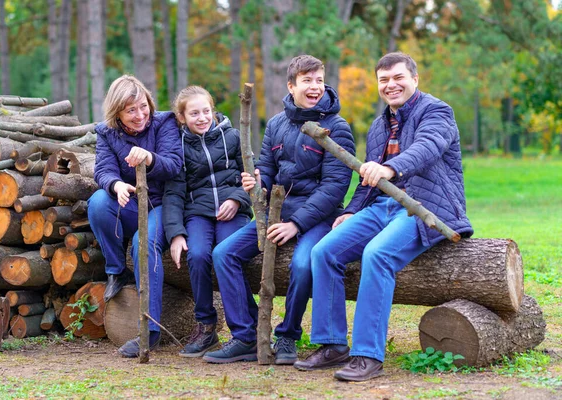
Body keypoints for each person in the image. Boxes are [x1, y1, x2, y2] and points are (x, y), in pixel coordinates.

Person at [293, 52, 473, 381]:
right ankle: (332, 344)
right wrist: (351, 211)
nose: (391, 85)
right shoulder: (379, 125)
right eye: (384, 80)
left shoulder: (436, 111)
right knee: (324, 251)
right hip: (382, 208)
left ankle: (367, 355)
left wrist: (391, 167)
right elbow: (367, 180)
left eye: (398, 77)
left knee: (377, 255)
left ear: (414, 79)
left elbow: (428, 147)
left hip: (425, 208)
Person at [203, 55, 355, 364]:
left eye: (319, 81)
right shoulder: (276, 123)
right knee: (223, 254)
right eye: (307, 81)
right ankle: (246, 335)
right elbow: (267, 169)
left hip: (319, 218)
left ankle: (287, 335)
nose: (315, 87)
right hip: (276, 213)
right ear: (291, 85)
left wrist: (296, 224)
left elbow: (334, 188)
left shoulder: (337, 128)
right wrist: (256, 181)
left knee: (302, 264)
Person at [87, 75, 183, 357]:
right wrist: (115, 185)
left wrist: (149, 158)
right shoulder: (106, 133)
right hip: (129, 205)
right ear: (117, 113)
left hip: (163, 206)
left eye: (143, 107)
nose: (140, 115)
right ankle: (117, 271)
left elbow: (174, 164)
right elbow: (103, 170)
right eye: (131, 111)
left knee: (144, 242)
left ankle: (149, 330)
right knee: (97, 202)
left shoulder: (164, 123)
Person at [163, 86, 252, 357]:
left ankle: (248, 329)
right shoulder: (177, 146)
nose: (201, 118)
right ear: (181, 117)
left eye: (206, 111)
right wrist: (176, 234)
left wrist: (237, 199)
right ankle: (205, 325)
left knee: (227, 253)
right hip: (198, 213)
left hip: (232, 210)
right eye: (194, 113)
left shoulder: (233, 137)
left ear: (213, 111)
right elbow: (174, 193)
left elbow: (251, 174)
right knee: (199, 254)